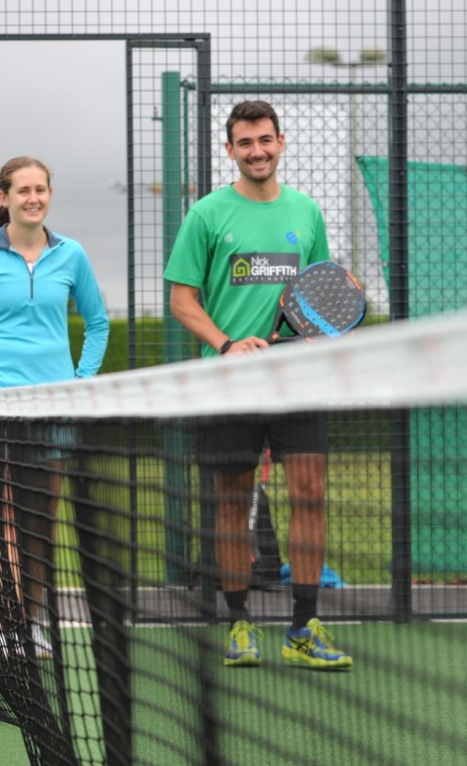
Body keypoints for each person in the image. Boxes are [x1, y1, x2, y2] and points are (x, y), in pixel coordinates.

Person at [163, 100, 352, 670]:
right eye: (245, 143)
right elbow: (181, 299)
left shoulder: (306, 213)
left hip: (296, 379)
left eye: (265, 140)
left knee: (311, 493)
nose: (257, 151)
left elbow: (320, 291)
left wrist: (317, 334)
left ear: (281, 142)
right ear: (230, 151)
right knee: (230, 503)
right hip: (228, 383)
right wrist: (226, 344)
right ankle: (240, 623)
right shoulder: (206, 216)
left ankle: (303, 624)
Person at [0, 156, 110, 660]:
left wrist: (81, 382)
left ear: (49, 195)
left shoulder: (72, 255)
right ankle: (10, 623)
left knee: (40, 522)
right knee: (5, 520)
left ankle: (31, 622)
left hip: (53, 408)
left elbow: (97, 324)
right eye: (22, 190)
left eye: (41, 189)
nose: (32, 197)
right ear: (4, 197)